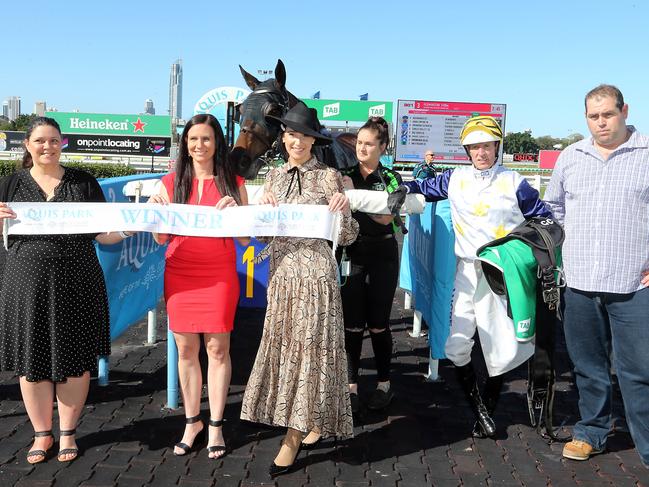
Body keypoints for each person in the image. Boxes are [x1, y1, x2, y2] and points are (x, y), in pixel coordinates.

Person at [390, 115, 551, 437]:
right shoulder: (454, 179)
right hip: (467, 271)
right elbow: (422, 186)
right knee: (457, 346)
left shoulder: (515, 182)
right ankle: (480, 408)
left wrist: (525, 253)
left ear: (496, 147)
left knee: (500, 348)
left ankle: (486, 412)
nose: (482, 152)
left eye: (487, 146)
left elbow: (544, 220)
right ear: (467, 150)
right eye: (475, 147)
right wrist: (404, 187)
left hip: (502, 276)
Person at [0, 117, 134, 464]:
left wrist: (128, 230)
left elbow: (103, 233)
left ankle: (68, 432)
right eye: (40, 141)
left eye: (54, 140)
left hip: (78, 282)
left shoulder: (84, 182)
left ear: (63, 144)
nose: (48, 147)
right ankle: (42, 434)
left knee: (75, 361)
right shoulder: (9, 184)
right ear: (27, 145)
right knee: (33, 362)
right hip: (25, 285)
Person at [240, 103, 358, 477]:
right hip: (282, 279)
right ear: (283, 137)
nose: (298, 141)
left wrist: (342, 211)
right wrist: (263, 211)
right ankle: (313, 419)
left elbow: (350, 235)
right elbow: (259, 236)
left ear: (313, 140)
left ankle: (290, 440)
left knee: (312, 351)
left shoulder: (329, 177)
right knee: (291, 350)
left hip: (318, 277)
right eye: (292, 134)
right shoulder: (273, 179)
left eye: (305, 135)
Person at [544, 84, 649, 465]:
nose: (601, 122)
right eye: (593, 116)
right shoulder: (572, 156)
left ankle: (647, 443)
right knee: (587, 367)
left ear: (625, 111)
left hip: (634, 283)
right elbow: (553, 208)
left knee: (639, 370)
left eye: (608, 114)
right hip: (580, 281)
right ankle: (593, 431)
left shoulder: (647, 153)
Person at [150, 114, 247, 459]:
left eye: (206, 139)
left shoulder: (233, 183)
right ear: (185, 144)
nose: (199, 145)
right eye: (193, 139)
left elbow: (244, 236)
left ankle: (217, 425)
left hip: (218, 275)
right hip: (180, 273)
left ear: (217, 143)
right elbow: (161, 237)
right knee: (186, 350)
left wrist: (237, 212)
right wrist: (153, 214)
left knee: (218, 350)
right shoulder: (169, 182)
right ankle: (193, 422)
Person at [339, 117, 403, 413]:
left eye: (368, 144)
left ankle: (384, 385)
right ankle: (350, 387)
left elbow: (386, 217)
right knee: (351, 325)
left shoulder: (391, 178)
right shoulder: (344, 174)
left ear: (382, 147)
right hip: (352, 253)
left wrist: (353, 197)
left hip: (383, 255)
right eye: (359, 143)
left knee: (378, 324)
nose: (362, 148)